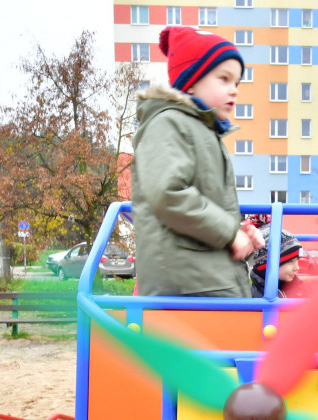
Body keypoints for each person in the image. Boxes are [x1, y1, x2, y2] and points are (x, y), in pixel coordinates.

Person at [131, 26, 263, 297]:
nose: (234, 90)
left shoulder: (203, 131)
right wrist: (229, 233)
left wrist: (239, 232)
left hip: (207, 280)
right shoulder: (168, 123)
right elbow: (168, 194)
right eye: (224, 79)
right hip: (187, 287)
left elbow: (203, 206)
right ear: (190, 81)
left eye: (236, 82)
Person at [248, 225, 308, 298]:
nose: (297, 268)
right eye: (291, 261)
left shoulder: (302, 290)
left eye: (297, 260)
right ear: (268, 265)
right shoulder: (253, 295)